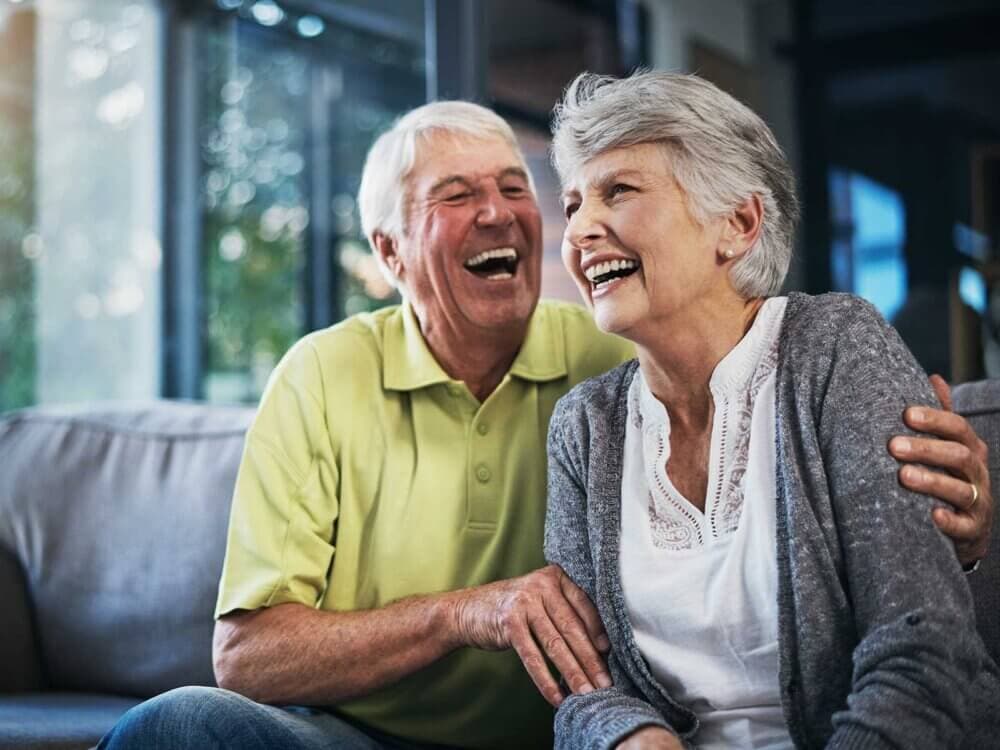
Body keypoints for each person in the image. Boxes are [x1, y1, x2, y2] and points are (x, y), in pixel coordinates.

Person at [99, 100, 993, 750]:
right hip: (363, 737)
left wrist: (956, 531)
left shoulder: (735, 352)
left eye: (519, 189)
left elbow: (918, 632)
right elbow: (248, 654)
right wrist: (474, 617)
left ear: (737, 224)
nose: (531, 218)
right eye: (456, 194)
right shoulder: (586, 414)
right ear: (388, 253)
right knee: (181, 726)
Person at [544, 70, 1000, 750]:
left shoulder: (838, 349)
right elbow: (587, 687)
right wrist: (631, 737)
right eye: (574, 201)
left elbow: (922, 653)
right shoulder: (585, 425)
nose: (580, 228)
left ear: (737, 224)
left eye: (620, 191)